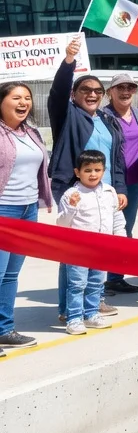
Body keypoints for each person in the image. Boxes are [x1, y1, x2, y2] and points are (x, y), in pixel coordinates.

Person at [49, 37, 127, 321]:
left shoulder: (107, 120)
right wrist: (69, 62)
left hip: (101, 188)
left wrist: (117, 188)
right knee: (74, 250)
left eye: (97, 90)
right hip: (72, 188)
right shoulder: (68, 114)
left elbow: (115, 158)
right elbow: (56, 94)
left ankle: (92, 301)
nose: (92, 94)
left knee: (97, 244)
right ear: (75, 94)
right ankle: (68, 308)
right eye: (86, 90)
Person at [0, 81, 51, 355]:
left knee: (10, 275)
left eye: (27, 98)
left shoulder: (30, 132)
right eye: (16, 97)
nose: (24, 103)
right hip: (3, 211)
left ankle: (5, 330)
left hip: (27, 210)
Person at [57, 151, 122, 335]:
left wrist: (120, 239)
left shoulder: (109, 192)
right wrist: (71, 206)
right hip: (78, 249)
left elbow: (117, 217)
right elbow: (62, 223)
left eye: (97, 170)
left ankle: (91, 314)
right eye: (88, 170)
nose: (93, 174)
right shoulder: (72, 194)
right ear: (78, 172)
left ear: (104, 171)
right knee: (77, 284)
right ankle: (74, 318)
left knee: (96, 283)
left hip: (101, 248)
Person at [102, 73, 138, 295]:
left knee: (124, 230)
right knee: (102, 232)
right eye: (120, 87)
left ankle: (115, 277)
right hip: (108, 183)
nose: (125, 91)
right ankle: (94, 281)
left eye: (130, 87)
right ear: (109, 92)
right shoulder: (102, 116)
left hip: (132, 183)